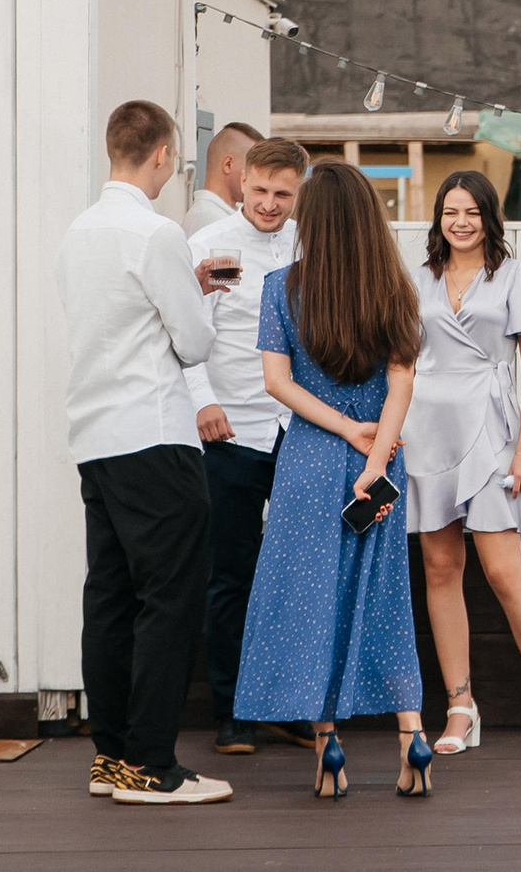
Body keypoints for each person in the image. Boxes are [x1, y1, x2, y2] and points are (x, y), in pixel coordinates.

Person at [234, 162, 433, 800]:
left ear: (309, 221)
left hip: (311, 462)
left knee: (314, 605)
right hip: (381, 464)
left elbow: (277, 383)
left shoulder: (280, 288)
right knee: (386, 600)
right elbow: (403, 379)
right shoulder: (396, 289)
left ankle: (329, 749)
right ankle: (412, 739)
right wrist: (375, 461)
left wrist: (346, 430)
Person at [58, 99, 233, 805]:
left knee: (110, 593)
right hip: (154, 433)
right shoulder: (156, 232)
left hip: (95, 433)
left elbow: (116, 320)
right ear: (161, 154)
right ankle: (152, 764)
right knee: (170, 595)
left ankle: (112, 756)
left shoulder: (78, 232)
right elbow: (192, 342)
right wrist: (198, 298)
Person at [404, 172, 521, 759]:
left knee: (503, 570)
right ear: (438, 218)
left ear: (489, 216)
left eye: (472, 211)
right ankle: (459, 705)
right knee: (440, 567)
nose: (461, 221)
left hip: (492, 431)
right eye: (450, 211)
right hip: (425, 432)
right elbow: (404, 361)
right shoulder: (418, 277)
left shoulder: (515, 276)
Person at [184, 137, 311, 759]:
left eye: (282, 194)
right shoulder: (205, 249)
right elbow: (179, 335)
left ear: (297, 193)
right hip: (230, 429)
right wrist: (202, 401)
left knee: (293, 573)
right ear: (243, 184)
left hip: (298, 432)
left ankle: (288, 706)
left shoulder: (311, 251)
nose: (268, 203)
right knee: (229, 573)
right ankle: (233, 713)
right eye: (259, 191)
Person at [184, 120, 262, 236]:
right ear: (228, 164)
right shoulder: (206, 217)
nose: (259, 178)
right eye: (253, 168)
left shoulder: (224, 215)